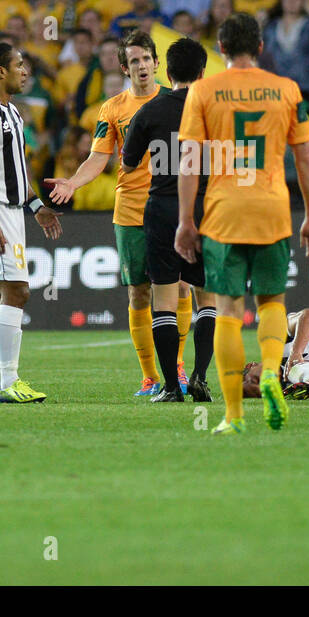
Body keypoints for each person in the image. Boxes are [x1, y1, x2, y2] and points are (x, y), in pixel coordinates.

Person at [175, 12, 309, 436]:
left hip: (224, 212)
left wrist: (186, 220)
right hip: (273, 210)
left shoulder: (203, 91)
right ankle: (274, 373)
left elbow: (189, 160)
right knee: (272, 302)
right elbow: (306, 157)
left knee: (227, 310)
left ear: (219, 49)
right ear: (261, 47)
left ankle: (234, 415)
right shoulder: (287, 90)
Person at [45, 29, 185, 396]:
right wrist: (74, 183)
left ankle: (179, 370)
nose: (141, 66)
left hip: (172, 206)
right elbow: (98, 157)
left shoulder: (176, 101)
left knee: (180, 288)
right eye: (134, 61)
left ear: (158, 63)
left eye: (146, 59)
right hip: (131, 210)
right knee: (139, 293)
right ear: (124, 68)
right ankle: (150, 377)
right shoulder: (112, 109)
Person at [0, 41, 63, 403]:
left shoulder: (13, 113)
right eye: (19, 65)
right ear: (0, 71)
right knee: (17, 291)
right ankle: (9, 382)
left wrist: (36, 205)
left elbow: (16, 170)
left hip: (12, 210)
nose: (25, 71)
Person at [119, 37, 218, 403]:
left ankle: (172, 388)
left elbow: (128, 164)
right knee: (207, 298)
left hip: (162, 209)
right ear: (203, 72)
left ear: (167, 71)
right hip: (207, 207)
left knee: (163, 295)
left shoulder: (149, 111)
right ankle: (201, 377)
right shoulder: (216, 110)